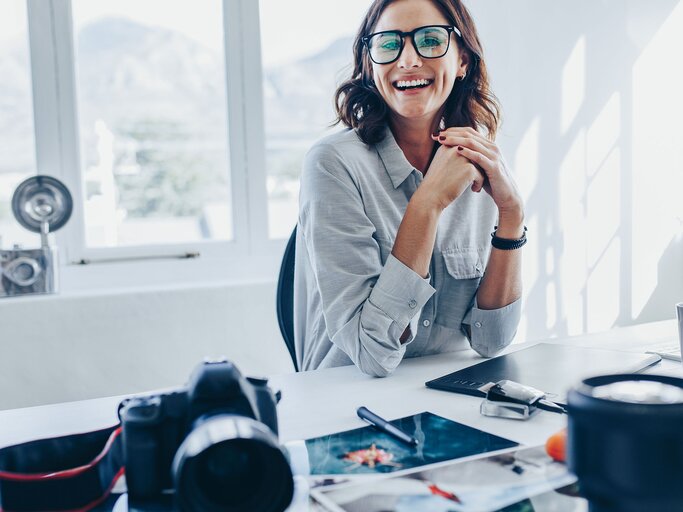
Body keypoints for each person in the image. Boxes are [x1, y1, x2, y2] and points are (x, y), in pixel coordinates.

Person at [293, 0, 525, 377]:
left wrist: (512, 215)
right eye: (388, 44)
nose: (409, 59)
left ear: (463, 59)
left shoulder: (477, 159)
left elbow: (492, 341)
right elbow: (372, 354)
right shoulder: (332, 163)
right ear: (370, 65)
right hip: (347, 406)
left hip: (446, 398)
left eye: (430, 40)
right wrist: (428, 203)